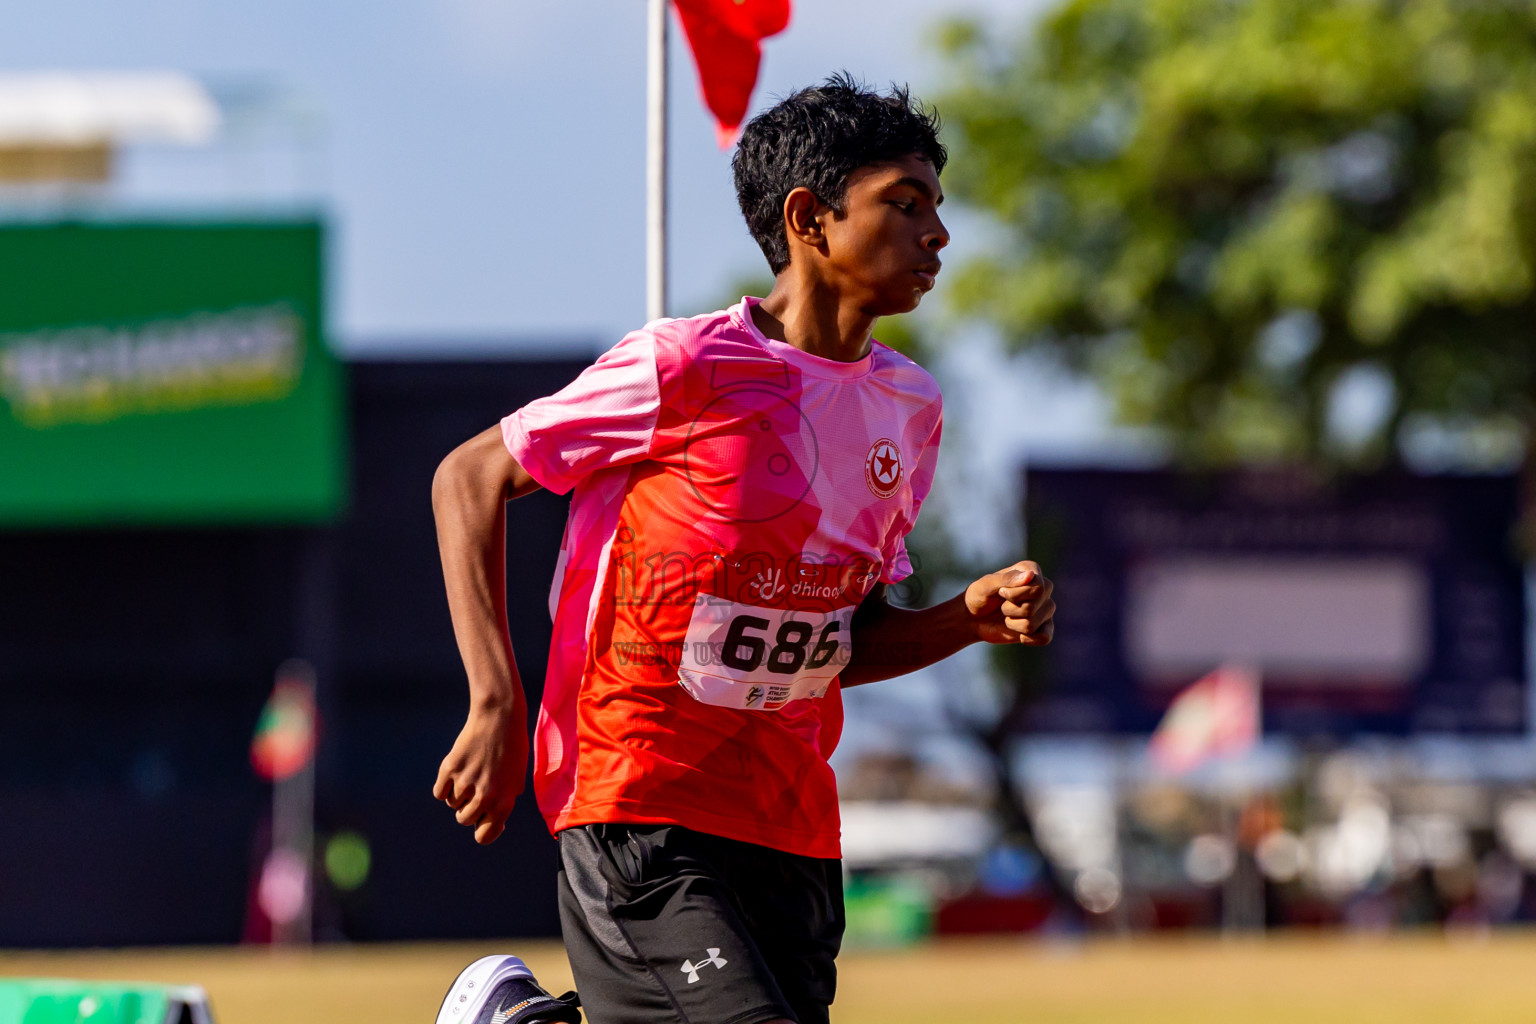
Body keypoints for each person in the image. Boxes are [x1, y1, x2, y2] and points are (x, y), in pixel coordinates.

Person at [429, 73, 1056, 1024]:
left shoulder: (911, 411)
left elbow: (841, 642)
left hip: (789, 822)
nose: (939, 234)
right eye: (905, 203)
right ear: (811, 219)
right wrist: (495, 697)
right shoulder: (682, 367)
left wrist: (961, 623)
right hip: (638, 796)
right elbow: (469, 477)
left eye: (938, 206)